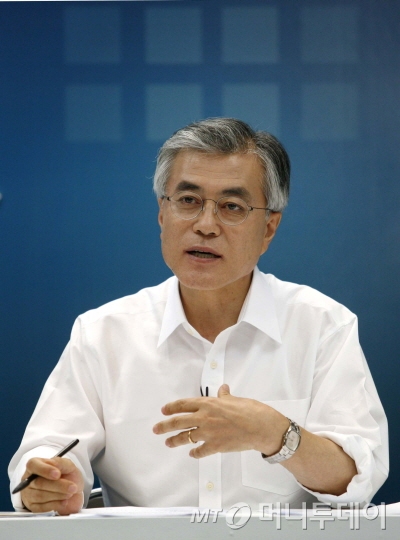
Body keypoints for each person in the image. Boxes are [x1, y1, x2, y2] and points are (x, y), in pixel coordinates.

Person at [9, 118, 388, 515]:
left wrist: (274, 433)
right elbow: (47, 451)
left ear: (269, 229)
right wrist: (47, 485)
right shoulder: (103, 333)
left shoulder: (322, 326)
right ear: (162, 214)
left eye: (232, 207)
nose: (206, 226)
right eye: (188, 201)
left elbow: (356, 478)